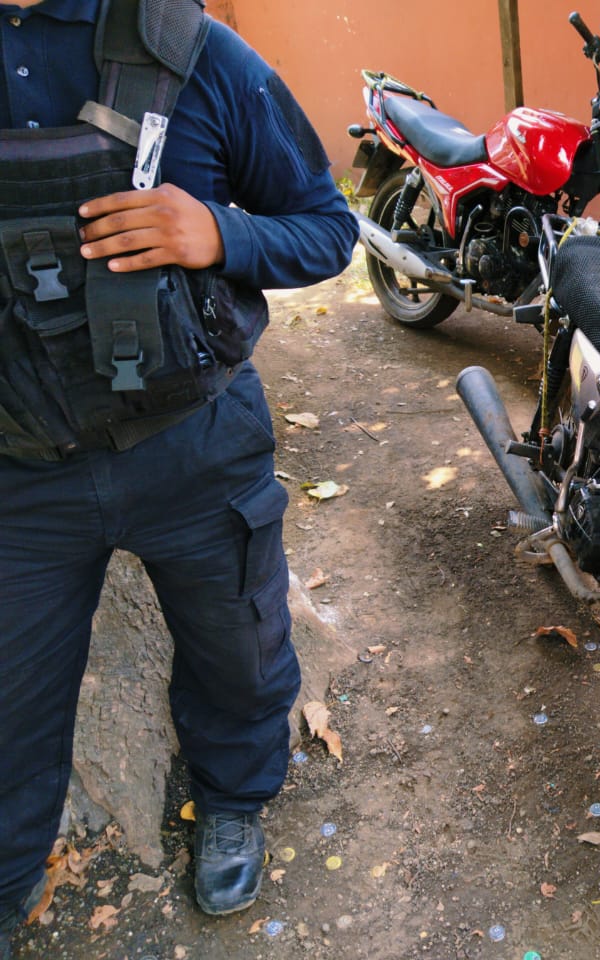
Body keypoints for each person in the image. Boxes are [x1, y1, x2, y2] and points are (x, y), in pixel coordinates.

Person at [0, 0, 358, 956]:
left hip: (194, 443)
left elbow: (327, 228)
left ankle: (233, 800)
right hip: (19, 466)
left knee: (240, 648)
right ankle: (7, 878)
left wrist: (219, 236)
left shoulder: (190, 51)